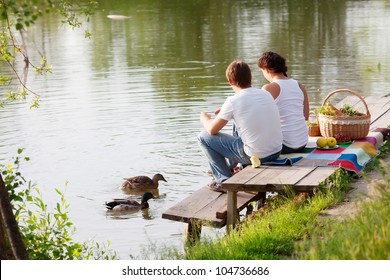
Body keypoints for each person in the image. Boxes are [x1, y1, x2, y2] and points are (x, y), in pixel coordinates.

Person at [197, 60, 283, 192]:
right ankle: (230, 166)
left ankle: (223, 180)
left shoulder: (233, 101)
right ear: (251, 78)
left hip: (257, 156)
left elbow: (211, 130)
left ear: (230, 82)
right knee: (238, 122)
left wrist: (205, 119)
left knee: (203, 137)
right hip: (276, 152)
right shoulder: (265, 94)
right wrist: (228, 113)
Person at [257, 51, 310, 154]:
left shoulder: (268, 88)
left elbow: (259, 119)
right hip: (302, 142)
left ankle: (240, 165)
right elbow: (306, 116)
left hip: (284, 145)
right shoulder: (298, 84)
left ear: (266, 70)